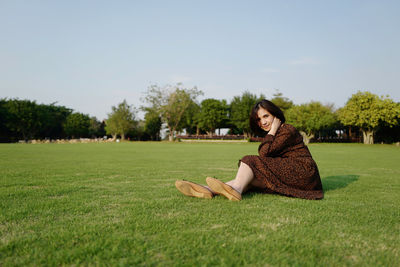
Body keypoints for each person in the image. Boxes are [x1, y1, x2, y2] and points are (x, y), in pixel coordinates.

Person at [175, 99, 324, 201]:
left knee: (250, 160)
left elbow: (263, 153)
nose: (263, 122)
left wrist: (272, 131)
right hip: (293, 173)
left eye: (266, 116)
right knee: (251, 179)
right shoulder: (277, 133)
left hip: (304, 172)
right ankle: (207, 190)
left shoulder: (286, 130)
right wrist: (272, 132)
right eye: (259, 119)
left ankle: (237, 190)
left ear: (276, 115)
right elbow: (267, 155)